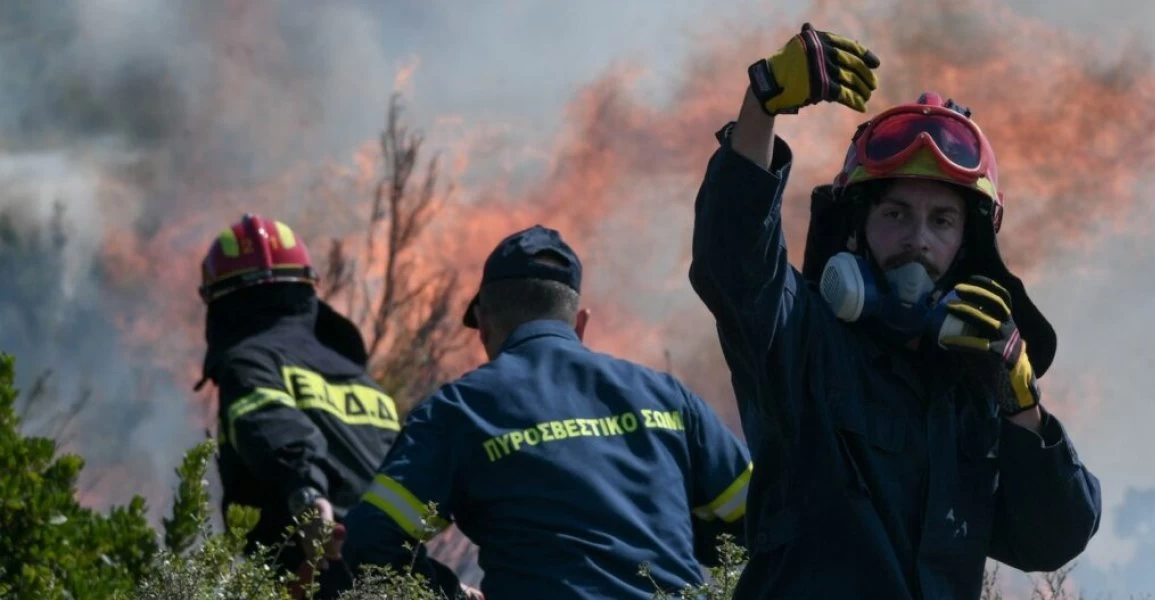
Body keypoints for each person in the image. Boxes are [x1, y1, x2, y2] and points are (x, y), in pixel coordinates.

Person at [687, 23, 1103, 599]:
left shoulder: (977, 395)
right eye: (896, 214)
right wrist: (763, 103)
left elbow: (1052, 539)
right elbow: (732, 263)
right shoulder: (800, 340)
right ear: (856, 231)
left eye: (942, 220)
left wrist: (1022, 406)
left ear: (968, 245)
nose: (918, 240)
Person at [338, 225, 754, 599]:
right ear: (581, 322)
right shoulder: (666, 396)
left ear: (482, 325)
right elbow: (762, 517)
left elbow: (372, 538)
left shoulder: (458, 411)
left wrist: (450, 593)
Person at [196, 214, 401, 592]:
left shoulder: (247, 363)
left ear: (220, 305)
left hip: (315, 574)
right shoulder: (364, 382)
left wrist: (308, 496)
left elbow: (275, 428)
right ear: (306, 289)